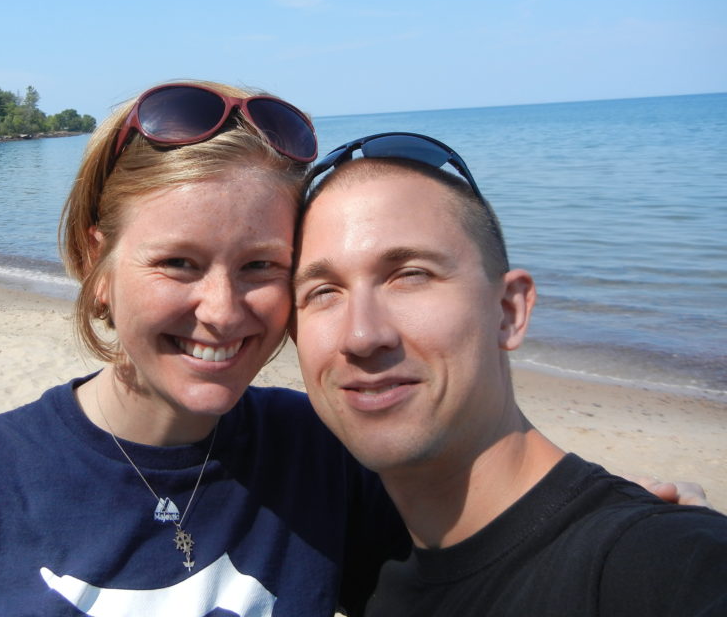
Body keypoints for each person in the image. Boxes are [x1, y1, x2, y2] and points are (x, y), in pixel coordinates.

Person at [0, 82, 408, 616]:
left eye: (260, 265)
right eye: (178, 263)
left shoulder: (324, 453)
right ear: (97, 265)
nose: (222, 310)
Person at [291, 132, 727, 616]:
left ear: (508, 311)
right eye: (324, 291)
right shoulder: (367, 566)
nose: (361, 335)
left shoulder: (661, 563)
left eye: (410, 274)